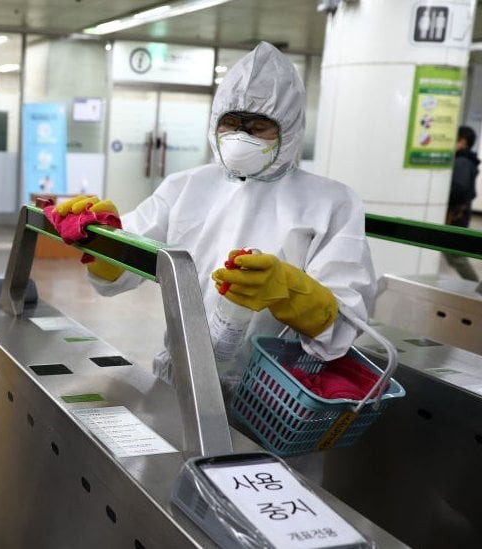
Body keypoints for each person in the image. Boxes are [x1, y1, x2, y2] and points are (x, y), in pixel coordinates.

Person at [53, 42, 376, 395]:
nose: (240, 137)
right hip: (181, 381)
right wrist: (104, 240)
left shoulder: (331, 201)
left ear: (289, 128)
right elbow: (124, 269)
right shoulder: (186, 187)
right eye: (232, 123)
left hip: (276, 394)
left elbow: (347, 319)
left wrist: (288, 291)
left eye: (258, 126)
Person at [444, 125, 479, 281]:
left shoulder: (462, 162)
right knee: (453, 254)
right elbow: (472, 193)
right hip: (460, 214)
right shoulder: (467, 161)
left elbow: (460, 190)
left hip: (456, 216)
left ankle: (478, 290)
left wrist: (443, 198)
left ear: (463, 141)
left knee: (456, 255)